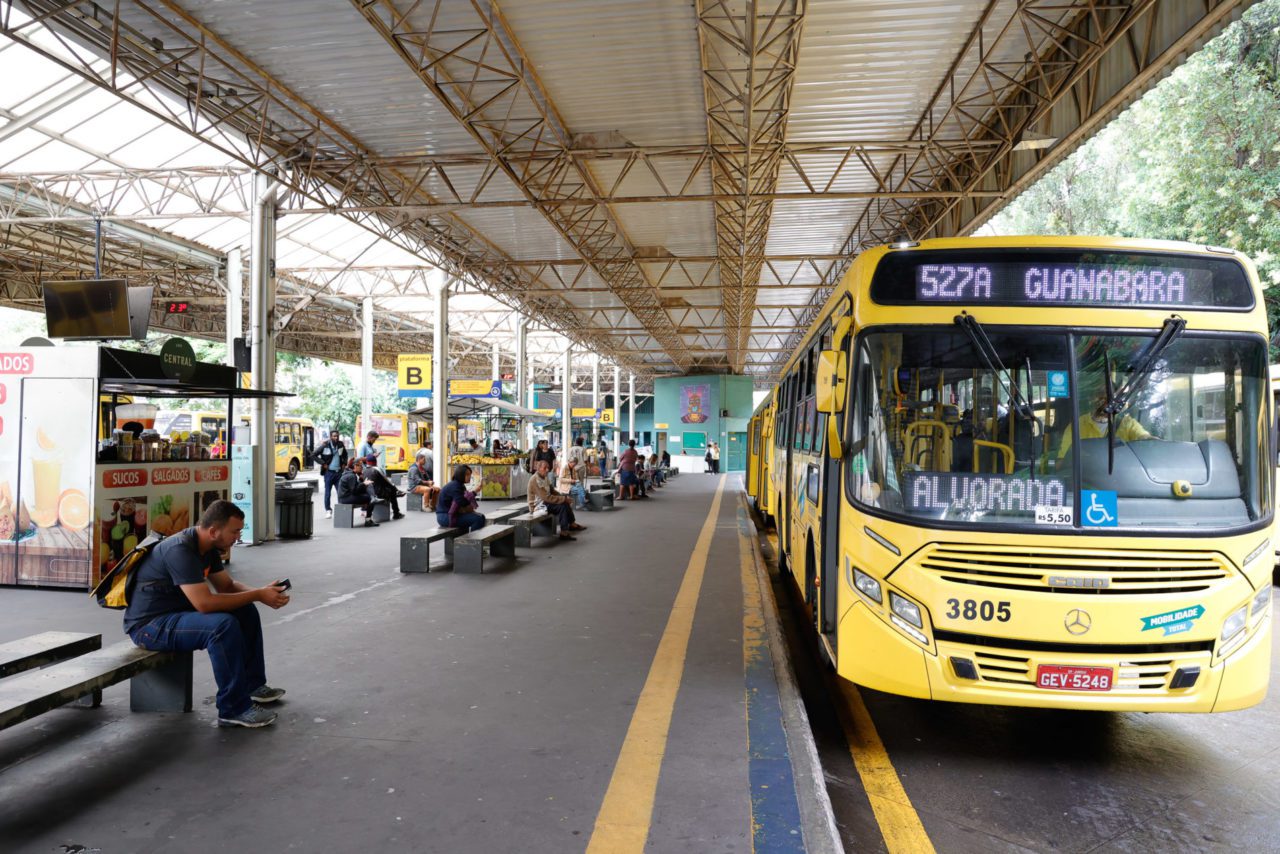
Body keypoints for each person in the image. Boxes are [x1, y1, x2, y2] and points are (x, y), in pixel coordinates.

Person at [124, 501, 289, 728]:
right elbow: (204, 603)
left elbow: (227, 586)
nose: (237, 537)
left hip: (178, 615)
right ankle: (233, 708)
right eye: (234, 532)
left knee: (245, 610)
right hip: (149, 627)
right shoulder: (179, 550)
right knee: (222, 625)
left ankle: (252, 685)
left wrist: (262, 593)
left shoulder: (207, 548)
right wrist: (258, 594)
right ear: (213, 531)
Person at [1057, 388, 1153, 459]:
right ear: (1091, 399)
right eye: (1101, 396)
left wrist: (1151, 440)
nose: (1105, 401)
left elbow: (1144, 437)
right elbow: (1063, 461)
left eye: (1109, 398)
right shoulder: (1076, 426)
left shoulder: (1127, 423)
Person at [528, 459, 585, 539]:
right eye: (545, 468)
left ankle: (572, 524)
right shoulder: (535, 479)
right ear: (538, 468)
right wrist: (563, 499)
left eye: (548, 468)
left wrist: (564, 498)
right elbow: (546, 497)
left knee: (564, 502)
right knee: (562, 506)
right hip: (537, 507)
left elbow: (552, 491)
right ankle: (564, 532)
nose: (547, 470)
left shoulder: (544, 477)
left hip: (545, 503)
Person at [437, 465, 486, 532]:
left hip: (451, 514)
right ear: (461, 475)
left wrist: (475, 491)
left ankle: (469, 538)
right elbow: (462, 502)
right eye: (467, 474)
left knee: (481, 517)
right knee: (478, 519)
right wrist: (474, 492)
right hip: (445, 517)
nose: (469, 477)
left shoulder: (459, 485)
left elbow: (464, 501)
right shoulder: (455, 486)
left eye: (470, 474)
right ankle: (473, 540)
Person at [315, 429, 348, 519]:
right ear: (330, 437)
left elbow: (345, 454)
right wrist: (323, 463)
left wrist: (344, 463)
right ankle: (328, 510)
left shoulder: (340, 444)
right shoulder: (325, 445)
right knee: (328, 493)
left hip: (338, 473)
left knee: (340, 492)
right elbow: (314, 455)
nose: (336, 438)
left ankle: (341, 509)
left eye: (337, 436)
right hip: (329, 473)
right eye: (334, 436)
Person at [337, 458, 380, 527]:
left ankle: (373, 498)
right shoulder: (351, 476)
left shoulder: (350, 473)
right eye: (360, 465)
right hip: (345, 498)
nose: (362, 467)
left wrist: (362, 481)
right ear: (355, 466)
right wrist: (364, 484)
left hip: (345, 496)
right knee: (369, 498)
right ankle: (368, 520)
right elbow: (354, 491)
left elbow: (355, 488)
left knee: (368, 495)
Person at [363, 454, 404, 519]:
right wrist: (397, 490)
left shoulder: (364, 470)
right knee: (392, 491)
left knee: (390, 490)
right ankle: (396, 513)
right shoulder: (377, 469)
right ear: (375, 461)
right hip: (377, 493)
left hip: (368, 494)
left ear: (367, 462)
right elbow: (387, 482)